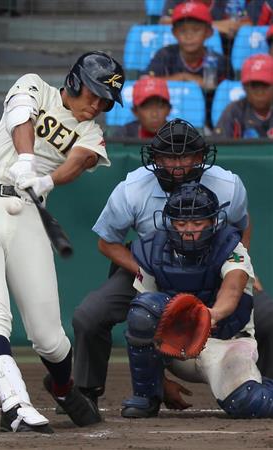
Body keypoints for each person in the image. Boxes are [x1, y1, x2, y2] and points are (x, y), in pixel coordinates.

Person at [0, 51, 125, 433]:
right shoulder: (35, 85)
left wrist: (45, 180)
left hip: (31, 216)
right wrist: (27, 161)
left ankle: (63, 388)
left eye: (105, 101)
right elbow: (20, 116)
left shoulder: (92, 131)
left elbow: (79, 160)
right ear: (75, 82)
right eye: (94, 94)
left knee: (50, 339)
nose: (97, 105)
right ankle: (14, 403)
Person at [72, 118, 251, 410]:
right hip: (150, 265)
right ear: (155, 158)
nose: (178, 165)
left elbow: (243, 226)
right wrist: (144, 270)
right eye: (169, 156)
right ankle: (86, 393)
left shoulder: (228, 185)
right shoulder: (132, 188)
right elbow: (107, 242)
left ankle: (263, 385)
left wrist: (240, 269)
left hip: (211, 267)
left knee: (266, 315)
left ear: (201, 157)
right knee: (90, 315)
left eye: (186, 156)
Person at [121, 182, 273, 419]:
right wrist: (160, 382)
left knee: (249, 403)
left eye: (197, 223)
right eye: (181, 223)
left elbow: (232, 289)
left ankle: (259, 385)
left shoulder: (232, 246)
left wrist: (212, 315)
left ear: (213, 222)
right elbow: (143, 314)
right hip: (177, 345)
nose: (188, 230)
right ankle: (146, 395)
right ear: (170, 222)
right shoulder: (152, 250)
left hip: (225, 342)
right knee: (142, 311)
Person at [214, 53, 273, 138]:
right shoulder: (234, 111)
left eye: (265, 85)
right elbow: (219, 147)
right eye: (254, 86)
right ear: (245, 88)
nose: (260, 92)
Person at [160, 0, 253, 46]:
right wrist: (214, 26)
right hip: (184, 48)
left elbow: (247, 24)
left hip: (224, 50)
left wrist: (234, 25)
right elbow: (164, 23)